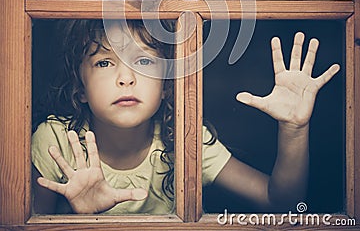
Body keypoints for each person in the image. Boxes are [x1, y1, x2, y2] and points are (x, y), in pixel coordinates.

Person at [31, 19, 340, 215]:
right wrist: (81, 219)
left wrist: (294, 129)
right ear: (79, 87)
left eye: (143, 60)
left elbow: (283, 204)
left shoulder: (185, 139)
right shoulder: (56, 140)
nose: (126, 78)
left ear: (167, 85)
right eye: (104, 63)